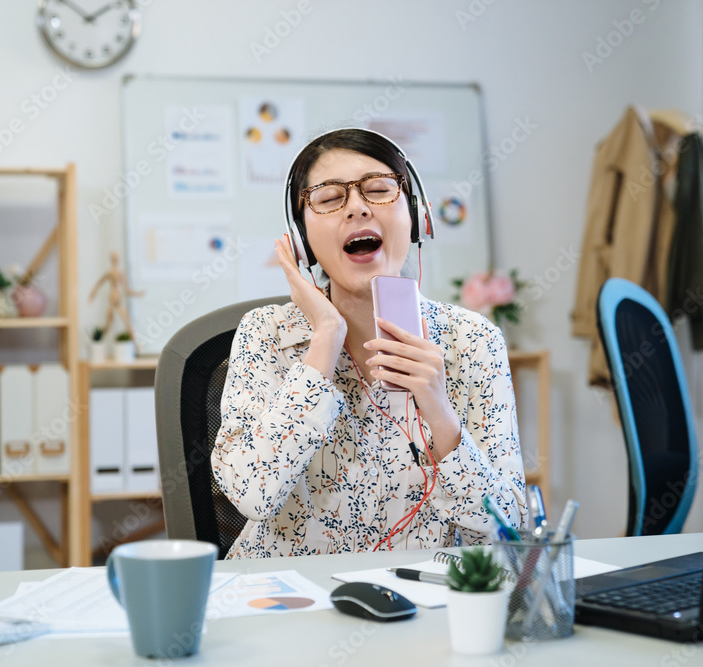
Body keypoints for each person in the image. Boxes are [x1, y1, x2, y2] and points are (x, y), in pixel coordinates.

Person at [211, 129, 527, 558]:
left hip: (418, 600)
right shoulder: (267, 334)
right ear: (301, 239)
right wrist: (324, 341)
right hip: (288, 598)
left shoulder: (471, 341)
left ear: (416, 216)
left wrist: (441, 414)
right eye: (328, 199)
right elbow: (252, 495)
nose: (357, 208)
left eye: (379, 190)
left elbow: (506, 527)